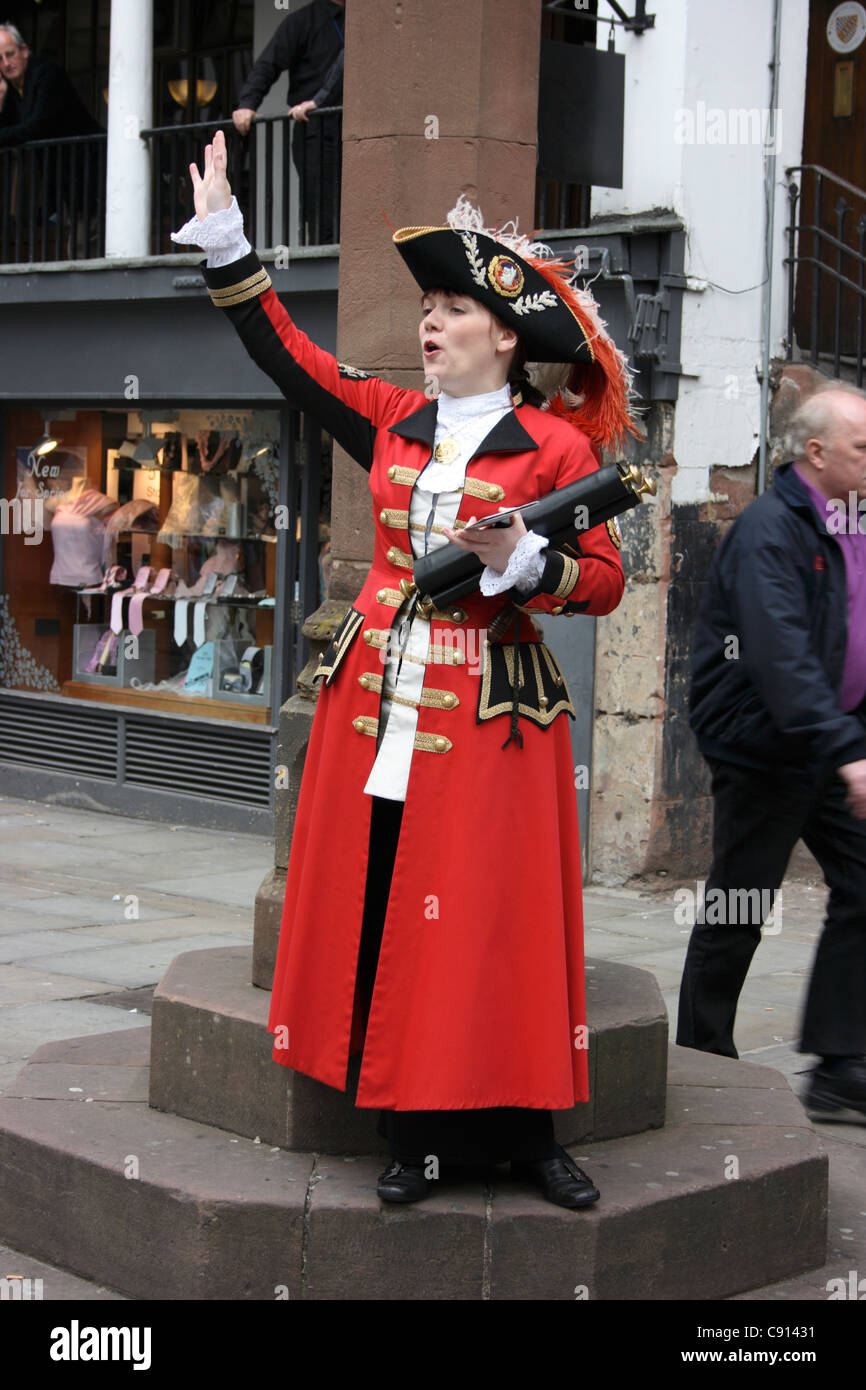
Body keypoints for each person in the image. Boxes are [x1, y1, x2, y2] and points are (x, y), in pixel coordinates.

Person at [174, 129, 639, 1208]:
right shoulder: (391, 419)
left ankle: (529, 1137)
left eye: (453, 312)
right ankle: (411, 1133)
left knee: (498, 922)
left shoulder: (556, 451)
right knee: (391, 898)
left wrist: (524, 560)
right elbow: (290, 357)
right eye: (427, 311)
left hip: (494, 712)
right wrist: (230, 244)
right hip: (375, 699)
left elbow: (605, 582)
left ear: (503, 341)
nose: (430, 324)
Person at [679, 382, 866, 1123]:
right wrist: (846, 751)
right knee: (741, 904)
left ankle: (840, 1065)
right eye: (862, 446)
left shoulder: (853, 518)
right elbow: (781, 652)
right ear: (816, 453)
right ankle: (700, 1062)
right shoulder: (768, 528)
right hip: (765, 743)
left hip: (833, 735)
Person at [231, 1, 344, 244]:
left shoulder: (362, 19)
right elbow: (269, 63)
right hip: (315, 131)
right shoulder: (304, 21)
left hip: (354, 130)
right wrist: (248, 104)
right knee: (322, 212)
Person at [0, 23, 103, 147]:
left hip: (91, 157)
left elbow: (36, 128)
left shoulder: (47, 74)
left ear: (24, 51)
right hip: (58, 162)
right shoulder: (9, 87)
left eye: (10, 54)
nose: (6, 63)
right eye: (0, 59)